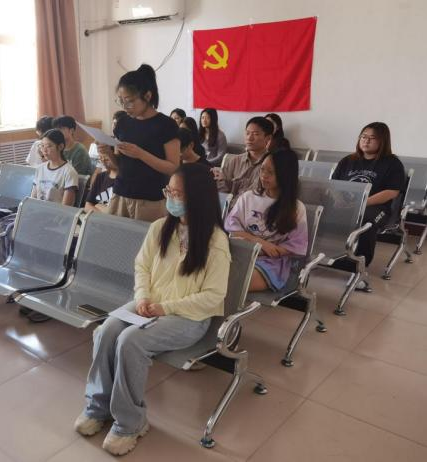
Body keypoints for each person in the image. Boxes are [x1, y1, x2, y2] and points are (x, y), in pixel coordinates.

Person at [74, 163, 230, 456]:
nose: (170, 197)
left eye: (177, 193)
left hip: (188, 317)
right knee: (106, 330)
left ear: (198, 197)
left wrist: (163, 307)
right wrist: (143, 297)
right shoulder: (160, 227)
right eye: (169, 190)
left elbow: (213, 297)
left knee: (130, 341)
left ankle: (130, 423)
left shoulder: (215, 240)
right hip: (151, 304)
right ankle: (97, 408)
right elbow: (142, 267)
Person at [98, 64, 179, 222]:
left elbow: (173, 167)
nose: (124, 107)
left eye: (129, 101)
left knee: (146, 237)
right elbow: (119, 165)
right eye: (121, 101)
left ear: (147, 96)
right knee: (116, 235)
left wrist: (141, 154)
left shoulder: (166, 125)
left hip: (150, 199)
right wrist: (108, 152)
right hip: (120, 193)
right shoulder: (122, 123)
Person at [331, 122, 405, 288]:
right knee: (321, 213)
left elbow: (392, 192)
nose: (366, 141)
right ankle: (325, 256)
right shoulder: (348, 161)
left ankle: (359, 268)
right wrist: (338, 199)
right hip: (347, 204)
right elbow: (334, 185)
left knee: (367, 222)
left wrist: (361, 203)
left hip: (377, 207)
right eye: (363, 137)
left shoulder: (392, 164)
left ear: (382, 141)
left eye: (372, 138)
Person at [225, 150, 308, 291]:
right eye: (262, 169)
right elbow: (233, 230)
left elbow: (294, 246)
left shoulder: (296, 208)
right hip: (241, 252)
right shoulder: (248, 197)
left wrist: (260, 249)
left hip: (271, 263)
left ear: (285, 175)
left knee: (232, 282)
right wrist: (260, 243)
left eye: (271, 172)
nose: (264, 175)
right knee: (211, 276)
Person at [213, 116, 274, 209]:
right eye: (247, 133)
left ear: (268, 138)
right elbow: (222, 188)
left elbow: (258, 197)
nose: (249, 138)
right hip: (227, 210)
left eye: (255, 134)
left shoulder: (272, 165)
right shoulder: (235, 160)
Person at [31, 129, 79, 206]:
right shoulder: (40, 169)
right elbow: (33, 199)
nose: (44, 150)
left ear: (60, 147)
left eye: (49, 146)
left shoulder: (69, 172)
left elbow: (66, 208)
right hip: (38, 211)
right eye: (42, 146)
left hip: (57, 213)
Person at [89, 110, 127, 175]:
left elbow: (118, 168)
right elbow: (99, 168)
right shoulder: (108, 141)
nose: (115, 127)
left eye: (118, 125)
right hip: (104, 173)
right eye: (114, 124)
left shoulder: (126, 144)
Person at [85, 149, 118, 213]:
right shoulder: (100, 177)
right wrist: (102, 209)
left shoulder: (124, 181)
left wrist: (98, 206)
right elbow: (87, 206)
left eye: (107, 159)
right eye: (100, 158)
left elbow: (115, 213)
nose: (103, 162)